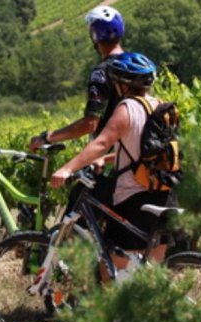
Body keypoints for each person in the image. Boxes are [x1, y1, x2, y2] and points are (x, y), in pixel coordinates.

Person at [48, 52, 167, 275]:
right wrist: (109, 158)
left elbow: (101, 142)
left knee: (108, 272)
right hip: (164, 194)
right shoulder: (162, 108)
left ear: (122, 84)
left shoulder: (127, 108)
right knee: (154, 278)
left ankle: (70, 259)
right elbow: (148, 153)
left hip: (134, 198)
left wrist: (67, 169)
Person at [28, 5, 126, 151]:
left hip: (109, 157)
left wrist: (48, 137)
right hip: (137, 154)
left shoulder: (102, 73)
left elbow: (90, 124)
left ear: (94, 35)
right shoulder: (138, 67)